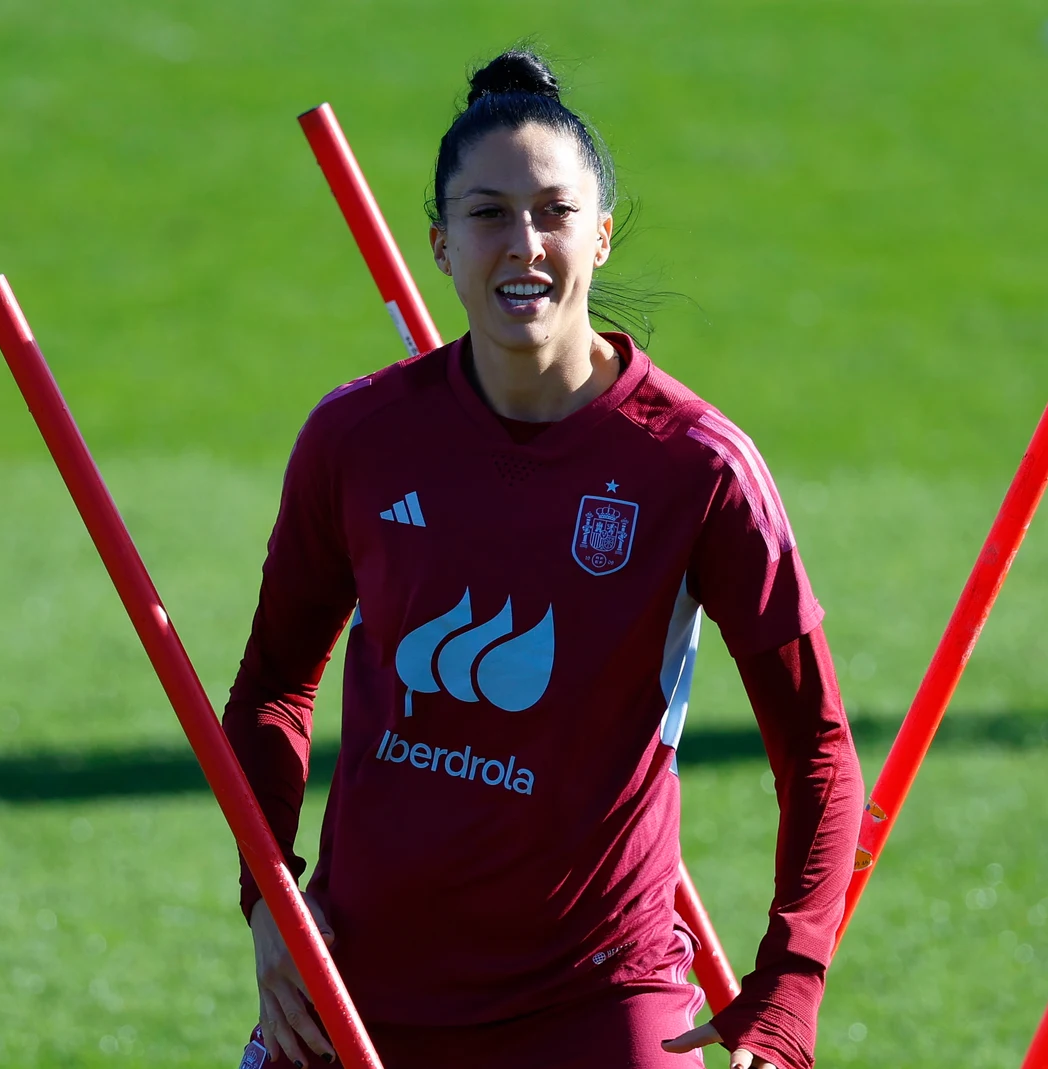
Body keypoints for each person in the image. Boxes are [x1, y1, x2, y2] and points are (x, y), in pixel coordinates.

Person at [223, 48, 861, 1069]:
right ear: (438, 243)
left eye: (554, 212)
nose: (522, 243)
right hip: (356, 989)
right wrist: (268, 898)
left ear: (600, 237)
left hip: (597, 998)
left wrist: (789, 984)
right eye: (487, 213)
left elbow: (818, 746)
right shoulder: (356, 437)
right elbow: (272, 686)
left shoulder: (695, 465)